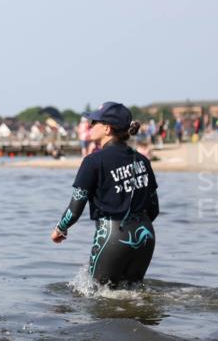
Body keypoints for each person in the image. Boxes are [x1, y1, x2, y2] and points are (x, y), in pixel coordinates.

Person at [51, 102, 159, 286]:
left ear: (107, 128)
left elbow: (75, 208)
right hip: (146, 234)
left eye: (94, 122)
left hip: (112, 236)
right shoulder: (142, 160)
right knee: (133, 296)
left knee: (98, 298)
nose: (90, 125)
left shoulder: (93, 161)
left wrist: (60, 229)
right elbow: (154, 209)